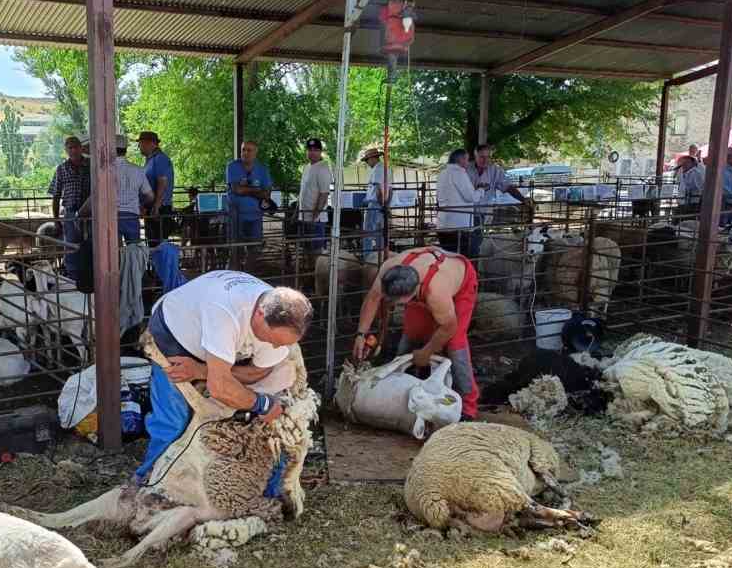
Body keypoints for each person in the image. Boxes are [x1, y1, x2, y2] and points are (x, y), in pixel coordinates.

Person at [134, 271, 313, 488]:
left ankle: (268, 495)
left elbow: (258, 372)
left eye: (283, 344)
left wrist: (202, 371)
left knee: (264, 425)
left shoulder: (277, 323)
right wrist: (262, 404)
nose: (275, 347)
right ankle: (147, 482)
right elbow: (219, 388)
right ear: (259, 314)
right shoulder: (226, 310)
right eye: (273, 340)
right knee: (175, 421)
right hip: (175, 338)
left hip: (223, 350)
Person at [353, 246, 480, 421]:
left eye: (397, 302)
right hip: (425, 277)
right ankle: (404, 390)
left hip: (459, 281)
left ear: (410, 295)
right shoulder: (389, 268)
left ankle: (468, 406)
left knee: (455, 343)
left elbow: (449, 327)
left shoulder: (437, 291)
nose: (392, 304)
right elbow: (373, 298)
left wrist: (427, 352)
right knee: (413, 333)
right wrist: (361, 335)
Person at [48, 135, 92, 281]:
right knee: (72, 245)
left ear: (81, 148)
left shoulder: (91, 165)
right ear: (66, 150)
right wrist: (56, 220)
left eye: (75, 147)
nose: (73, 150)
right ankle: (74, 278)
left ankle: (92, 275)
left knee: (92, 242)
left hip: (91, 212)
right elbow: (56, 194)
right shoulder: (61, 169)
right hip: (71, 212)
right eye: (70, 148)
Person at [226, 141, 273, 264]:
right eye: (243, 150)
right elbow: (237, 189)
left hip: (255, 215)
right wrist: (257, 190)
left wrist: (246, 190)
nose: (245, 153)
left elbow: (267, 194)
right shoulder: (232, 166)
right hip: (236, 215)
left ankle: (249, 273)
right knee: (236, 248)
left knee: (255, 247)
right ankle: (234, 273)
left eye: (249, 150)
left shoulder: (262, 169)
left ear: (255, 152)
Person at [435, 149, 484, 258]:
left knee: (447, 258)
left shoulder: (442, 173)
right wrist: (481, 190)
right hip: (458, 225)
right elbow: (471, 197)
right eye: (466, 160)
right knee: (462, 259)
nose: (467, 163)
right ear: (461, 160)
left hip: (443, 224)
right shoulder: (459, 173)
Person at [467, 143, 526, 224]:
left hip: (483, 212)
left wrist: (523, 199)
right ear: (475, 157)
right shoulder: (466, 169)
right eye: (482, 157)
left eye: (488, 157)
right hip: (465, 211)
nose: (485, 160)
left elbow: (508, 187)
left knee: (476, 234)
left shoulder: (495, 170)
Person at [114, 134, 154, 244]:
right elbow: (150, 196)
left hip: (112, 217)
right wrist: (141, 205)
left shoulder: (106, 170)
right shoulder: (138, 170)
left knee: (113, 253)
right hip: (132, 215)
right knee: (134, 252)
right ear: (126, 150)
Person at [296, 137, 333, 254]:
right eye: (309, 149)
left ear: (320, 151)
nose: (312, 152)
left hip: (316, 219)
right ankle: (309, 270)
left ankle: (315, 271)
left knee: (316, 249)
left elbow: (324, 194)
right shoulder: (307, 167)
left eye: (315, 149)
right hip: (304, 216)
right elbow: (303, 191)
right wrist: (296, 211)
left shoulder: (323, 168)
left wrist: (315, 216)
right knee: (306, 248)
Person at [138, 131, 175, 246]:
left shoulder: (160, 159)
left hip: (159, 209)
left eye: (141, 143)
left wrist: (157, 205)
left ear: (151, 143)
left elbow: (162, 182)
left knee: (157, 245)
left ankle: (160, 264)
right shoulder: (151, 160)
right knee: (153, 243)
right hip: (153, 208)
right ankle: (155, 264)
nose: (139, 146)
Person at [360, 147, 389, 257]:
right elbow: (389, 189)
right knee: (379, 230)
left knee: (368, 231)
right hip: (382, 202)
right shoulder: (385, 168)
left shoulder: (377, 169)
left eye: (367, 160)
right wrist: (385, 205)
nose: (367, 163)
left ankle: (367, 256)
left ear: (373, 159)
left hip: (375, 203)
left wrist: (380, 203)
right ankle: (380, 255)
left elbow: (377, 189)